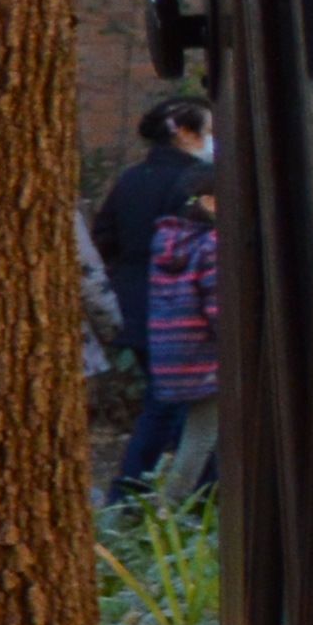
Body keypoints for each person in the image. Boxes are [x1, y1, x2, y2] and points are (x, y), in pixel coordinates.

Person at [95, 95, 218, 502]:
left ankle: (144, 497)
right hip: (191, 318)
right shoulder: (196, 184)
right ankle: (171, 499)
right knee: (184, 414)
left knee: (168, 408)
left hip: (137, 308)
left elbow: (104, 238)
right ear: (183, 132)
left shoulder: (132, 179)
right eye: (208, 130)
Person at [136, 183, 226, 501]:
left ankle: (167, 501)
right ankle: (169, 508)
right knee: (201, 437)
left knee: (188, 432)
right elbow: (218, 307)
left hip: (173, 351)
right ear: (209, 201)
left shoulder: (167, 242)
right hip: (207, 356)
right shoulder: (212, 244)